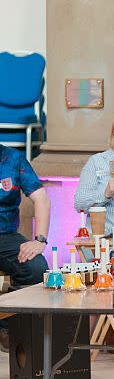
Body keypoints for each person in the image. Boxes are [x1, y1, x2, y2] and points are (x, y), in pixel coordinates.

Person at [0, 144, 51, 352]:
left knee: (36, 267)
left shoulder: (13, 158)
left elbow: (41, 199)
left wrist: (39, 240)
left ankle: (9, 328)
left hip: (5, 236)